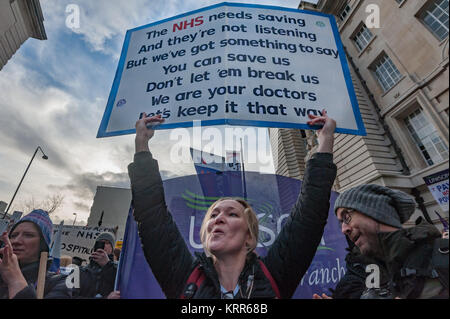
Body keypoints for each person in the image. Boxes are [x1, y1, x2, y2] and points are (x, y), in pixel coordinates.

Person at [127, 111, 337, 299]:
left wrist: (325, 141)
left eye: (232, 215)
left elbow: (309, 215)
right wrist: (142, 144)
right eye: (213, 215)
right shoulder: (186, 279)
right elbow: (152, 216)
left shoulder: (274, 275)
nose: (218, 218)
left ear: (250, 237)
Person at [331, 184, 449, 299]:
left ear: (375, 211)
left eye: (346, 217)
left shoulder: (441, 253)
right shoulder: (357, 267)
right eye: (340, 223)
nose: (343, 230)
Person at [0, 209, 71, 299]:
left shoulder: (60, 283)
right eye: (13, 235)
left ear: (43, 244)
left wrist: (15, 280)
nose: (16, 241)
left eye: (28, 235)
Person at [73, 232, 118, 298]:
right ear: (95, 247)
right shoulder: (79, 271)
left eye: (107, 242)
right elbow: (71, 295)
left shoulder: (118, 272)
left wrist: (107, 265)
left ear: (112, 249)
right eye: (100, 242)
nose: (103, 245)